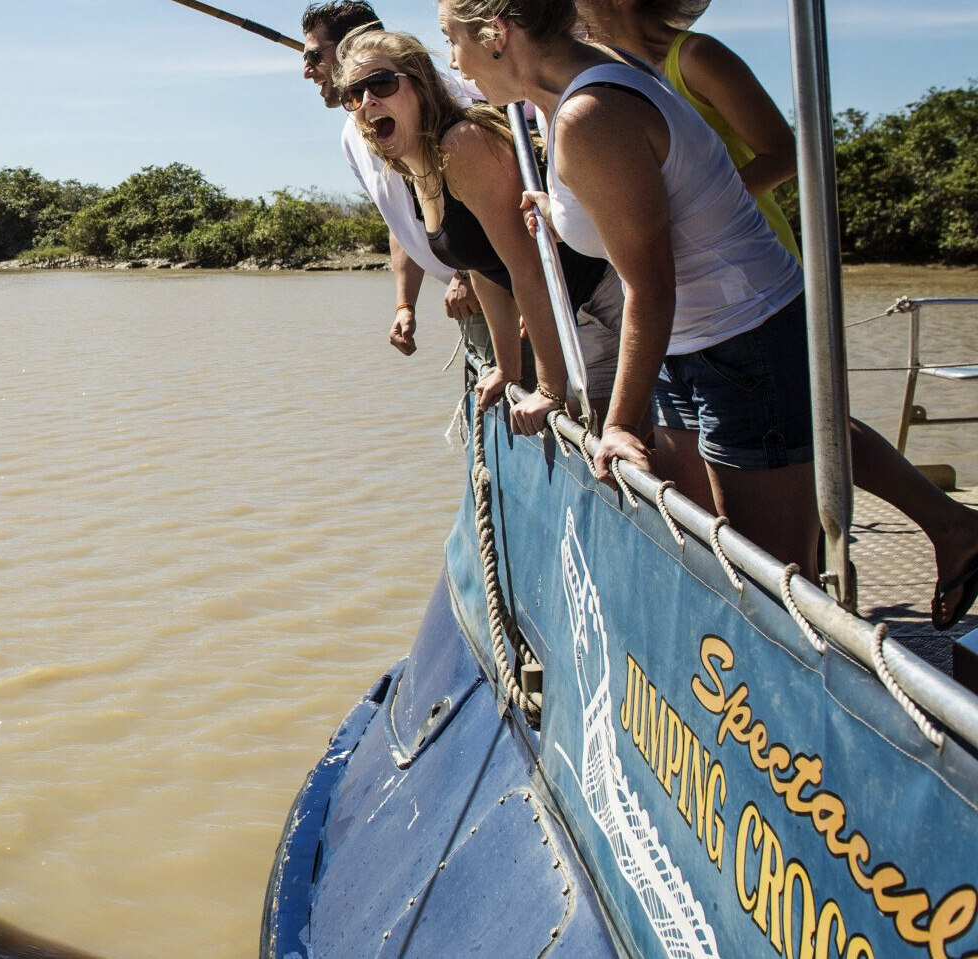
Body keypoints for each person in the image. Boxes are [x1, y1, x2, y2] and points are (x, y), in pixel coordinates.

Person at [576, 0, 978, 628]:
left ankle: (911, 543)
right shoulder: (605, 78)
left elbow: (783, 152)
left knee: (803, 431)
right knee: (805, 429)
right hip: (689, 298)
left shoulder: (694, 58)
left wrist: (695, 199)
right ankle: (945, 523)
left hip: (746, 274)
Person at [436, 0, 819, 572]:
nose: (454, 62)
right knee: (708, 549)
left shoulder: (588, 114)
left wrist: (614, 426)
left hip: (747, 336)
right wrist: (559, 212)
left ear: (497, 33)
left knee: (772, 576)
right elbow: (633, 195)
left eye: (453, 39)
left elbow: (651, 285)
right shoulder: (576, 89)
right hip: (688, 345)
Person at [336, 30, 625, 435]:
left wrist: (549, 389)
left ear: (420, 85)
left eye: (381, 83)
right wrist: (507, 369)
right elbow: (482, 267)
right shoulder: (416, 168)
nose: (368, 101)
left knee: (599, 443)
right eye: (354, 94)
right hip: (570, 310)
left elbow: (527, 267)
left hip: (602, 297)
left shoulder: (462, 144)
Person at [302, 2, 483, 357]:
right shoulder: (352, 134)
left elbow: (496, 195)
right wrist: (405, 305)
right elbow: (400, 220)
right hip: (466, 299)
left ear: (352, 45)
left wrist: (471, 274)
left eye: (313, 57)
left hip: (499, 285)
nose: (307, 71)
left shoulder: (439, 99)